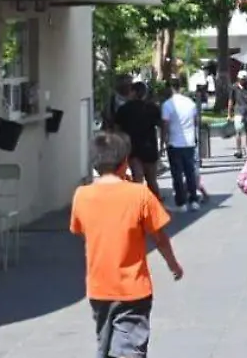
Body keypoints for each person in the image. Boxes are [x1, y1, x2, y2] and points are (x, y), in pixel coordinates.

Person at [72, 130, 183, 358]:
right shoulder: (140, 195)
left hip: (99, 287)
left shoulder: (81, 196)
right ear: (125, 162)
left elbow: (82, 232)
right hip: (133, 289)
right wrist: (173, 264)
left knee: (104, 344)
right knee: (129, 349)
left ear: (95, 164)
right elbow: (159, 237)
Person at [112, 82, 164, 205]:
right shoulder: (152, 108)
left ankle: (138, 206)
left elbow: (117, 129)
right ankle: (157, 205)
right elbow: (161, 125)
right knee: (152, 180)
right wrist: (163, 143)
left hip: (133, 148)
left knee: (138, 178)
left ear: (133, 92)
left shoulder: (124, 109)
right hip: (150, 146)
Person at [159, 82, 203, 212]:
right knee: (190, 172)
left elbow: (165, 125)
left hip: (174, 142)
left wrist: (163, 142)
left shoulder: (167, 105)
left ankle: (181, 203)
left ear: (171, 88)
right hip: (189, 142)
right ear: (180, 88)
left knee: (177, 174)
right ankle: (194, 200)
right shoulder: (190, 102)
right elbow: (196, 121)